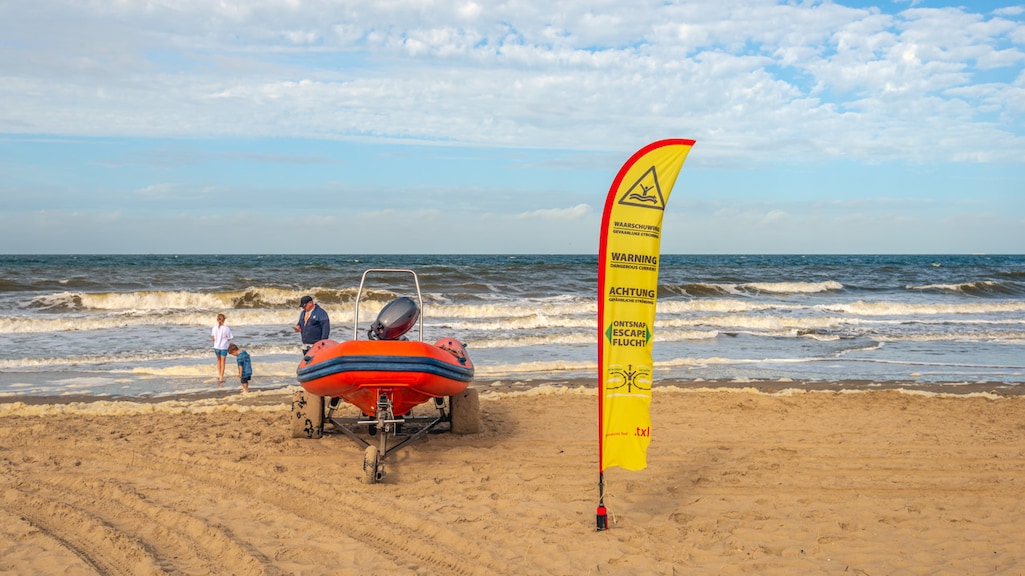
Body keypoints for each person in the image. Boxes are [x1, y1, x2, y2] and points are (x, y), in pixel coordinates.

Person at [211, 313, 233, 384]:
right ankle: (221, 377)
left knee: (218, 360)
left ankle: (219, 374)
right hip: (223, 347)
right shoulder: (226, 328)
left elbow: (213, 338)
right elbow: (230, 337)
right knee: (223, 362)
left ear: (217, 319)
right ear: (224, 320)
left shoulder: (214, 328)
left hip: (216, 347)